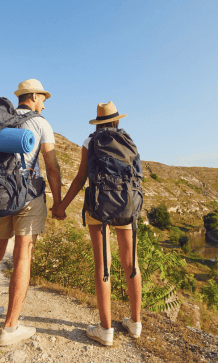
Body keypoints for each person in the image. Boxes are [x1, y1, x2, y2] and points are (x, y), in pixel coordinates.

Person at [0, 79, 65, 346]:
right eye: (44, 99)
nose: (44, 104)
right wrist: (58, 203)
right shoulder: (41, 123)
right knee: (22, 256)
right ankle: (10, 328)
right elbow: (51, 167)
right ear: (35, 96)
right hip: (27, 195)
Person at [51, 101, 142, 347]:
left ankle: (105, 329)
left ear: (98, 121)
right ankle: (135, 324)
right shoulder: (129, 141)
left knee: (104, 265)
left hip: (99, 206)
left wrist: (61, 206)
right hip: (126, 204)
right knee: (131, 262)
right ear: (117, 120)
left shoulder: (90, 142)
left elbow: (81, 178)